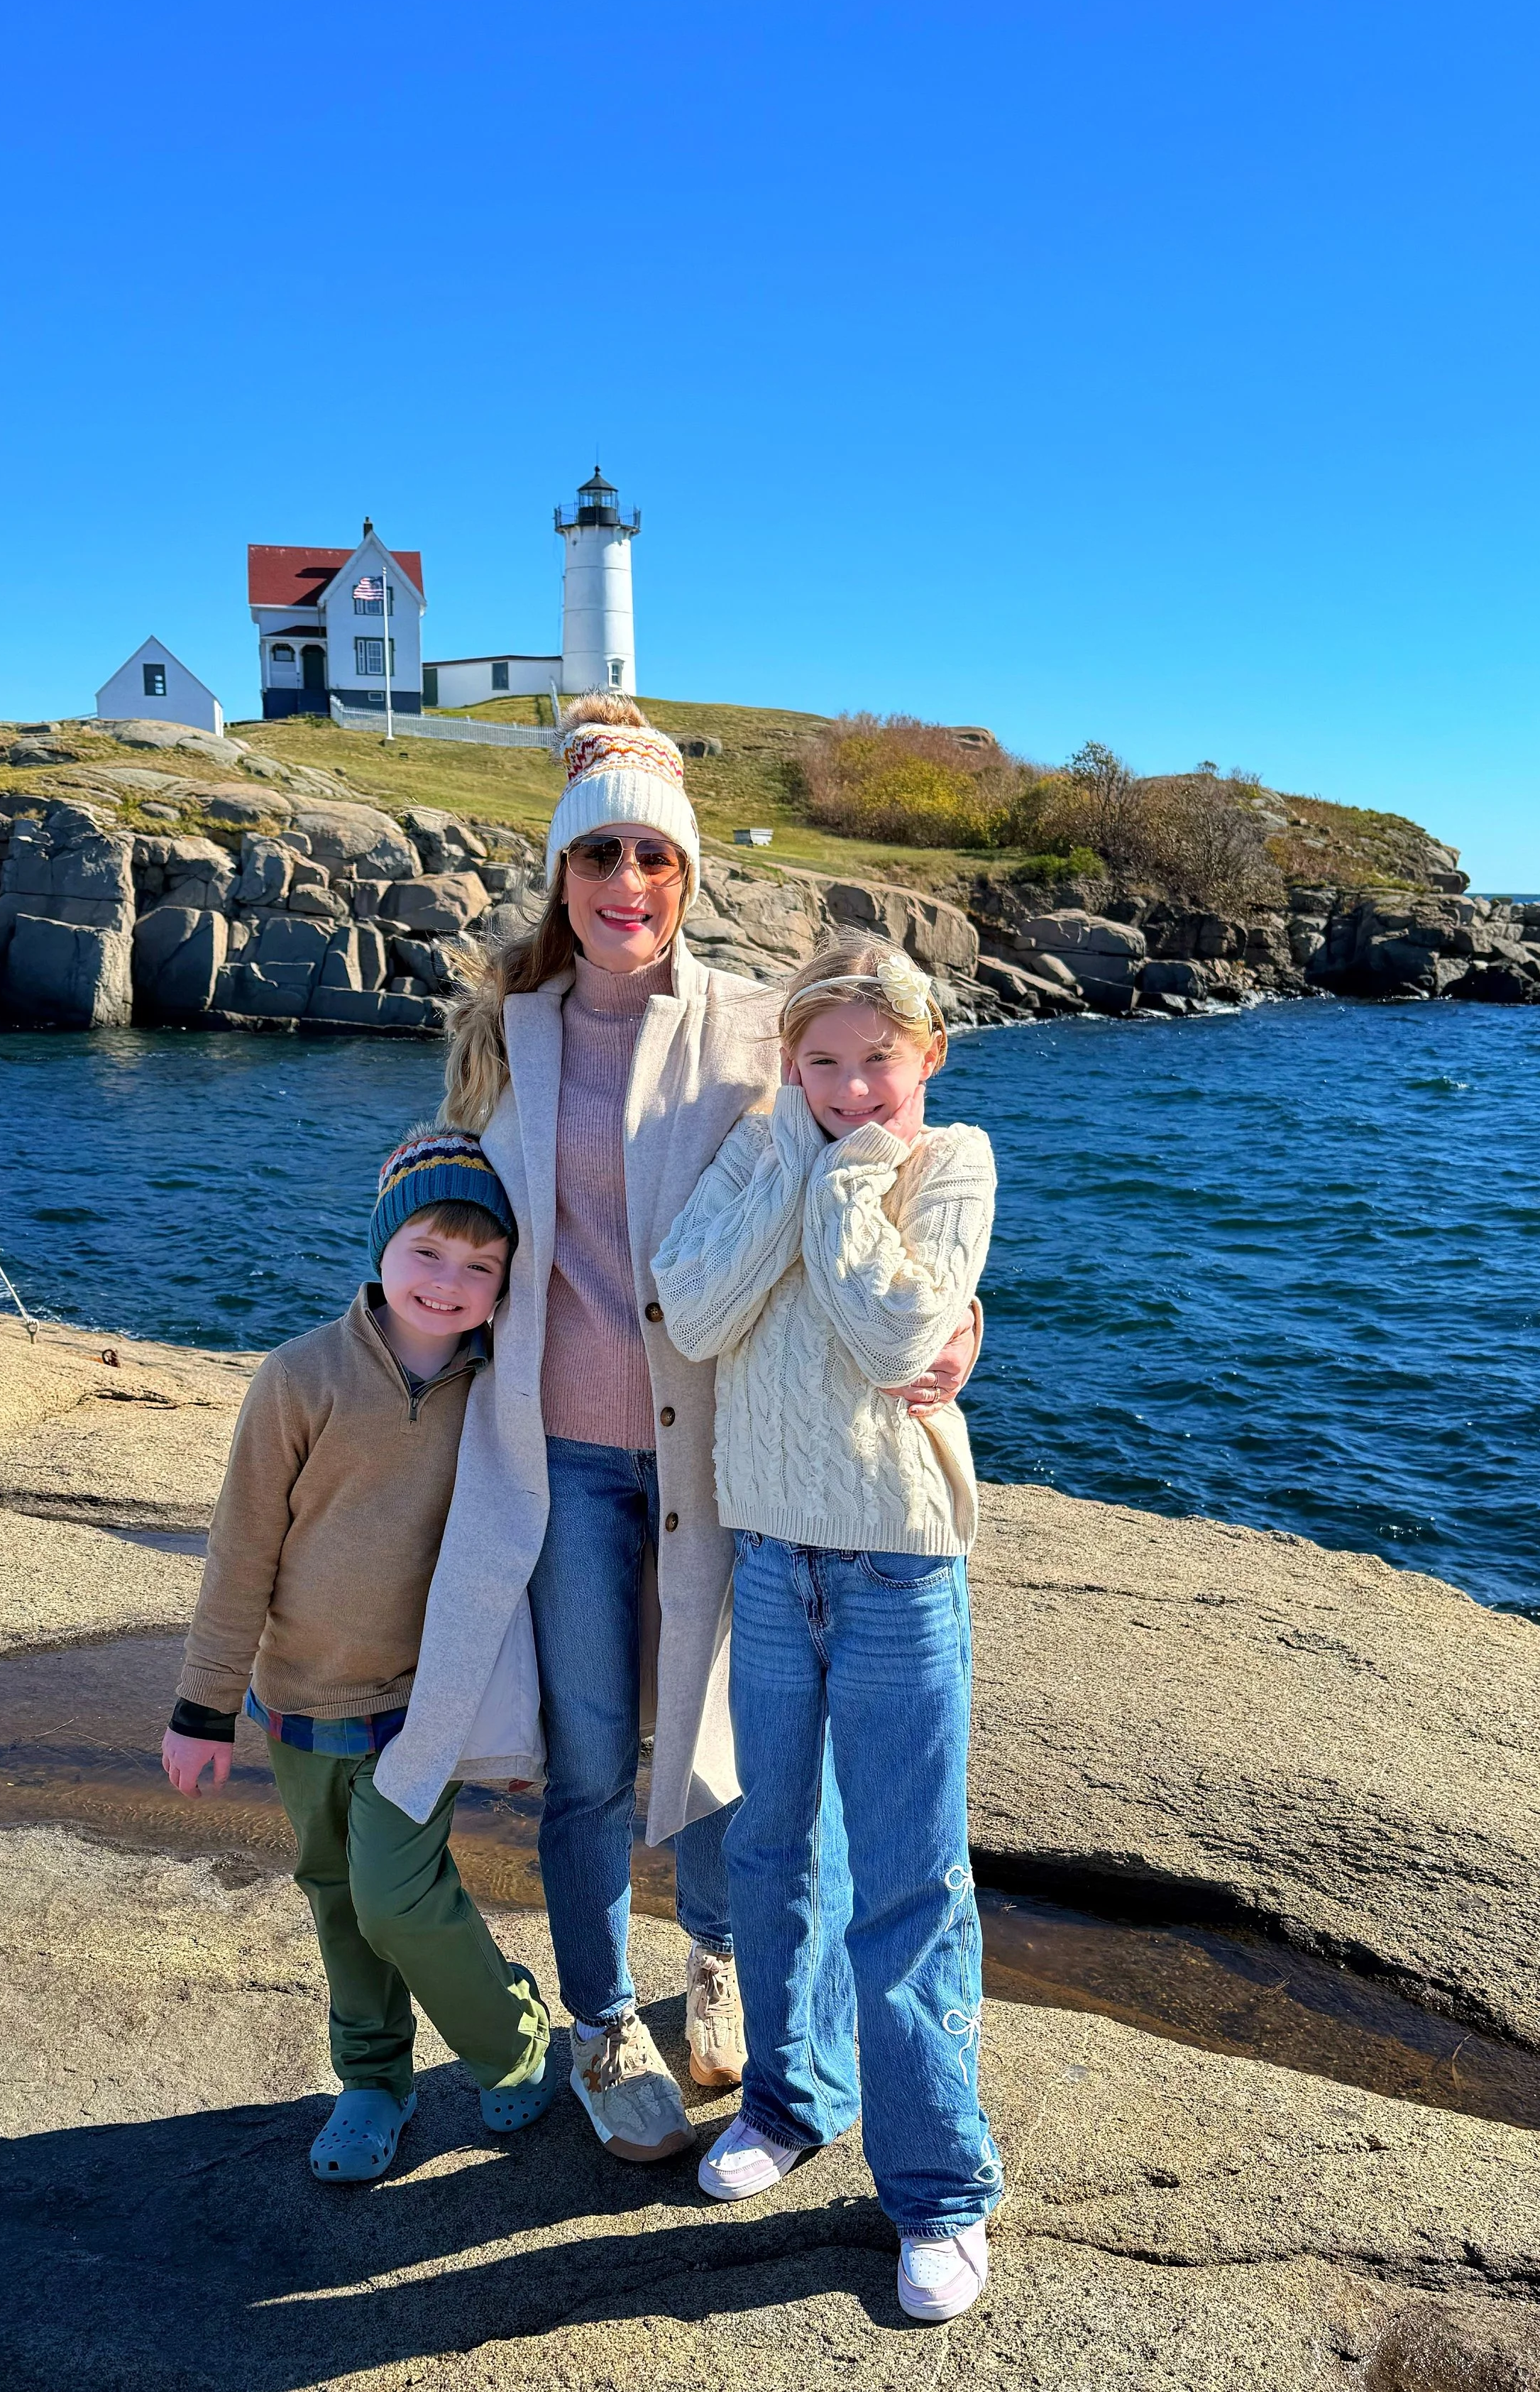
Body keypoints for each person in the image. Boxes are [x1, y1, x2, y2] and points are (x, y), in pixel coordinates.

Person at [370, 697, 983, 2167]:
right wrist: (383, 1340)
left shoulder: (747, 1033)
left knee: (722, 1747)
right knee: (589, 1753)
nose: (625, 880)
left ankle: (715, 1955)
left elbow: (865, 1171)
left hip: (723, 1449)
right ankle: (600, 2013)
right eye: (600, 854)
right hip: (558, 1456)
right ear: (562, 874)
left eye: (653, 852)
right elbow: (444, 1204)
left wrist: (963, 1327)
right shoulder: (499, 1035)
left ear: (686, 875)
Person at [651, 933, 1001, 2324]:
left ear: (925, 1056)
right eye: (822, 1062)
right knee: (769, 1841)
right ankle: (795, 2100)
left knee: (910, 1880)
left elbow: (895, 1331)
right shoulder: (760, 1150)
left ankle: (937, 2187)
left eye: (877, 1059)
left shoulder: (949, 1158)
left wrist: (848, 1175)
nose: (852, 1085)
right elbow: (693, 1302)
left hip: (897, 1564)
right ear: (789, 1063)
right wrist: (798, 1162)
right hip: (768, 1554)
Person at [159, 1127, 557, 2184]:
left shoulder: (506, 1391)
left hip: (425, 1702)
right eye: (428, 1251)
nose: (450, 1282)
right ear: (381, 1245)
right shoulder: (299, 1378)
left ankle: (512, 2039)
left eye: (482, 1267)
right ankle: (373, 2083)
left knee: (395, 1895)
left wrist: (534, 1724)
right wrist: (203, 1710)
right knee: (338, 1901)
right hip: (299, 1699)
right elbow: (241, 1550)